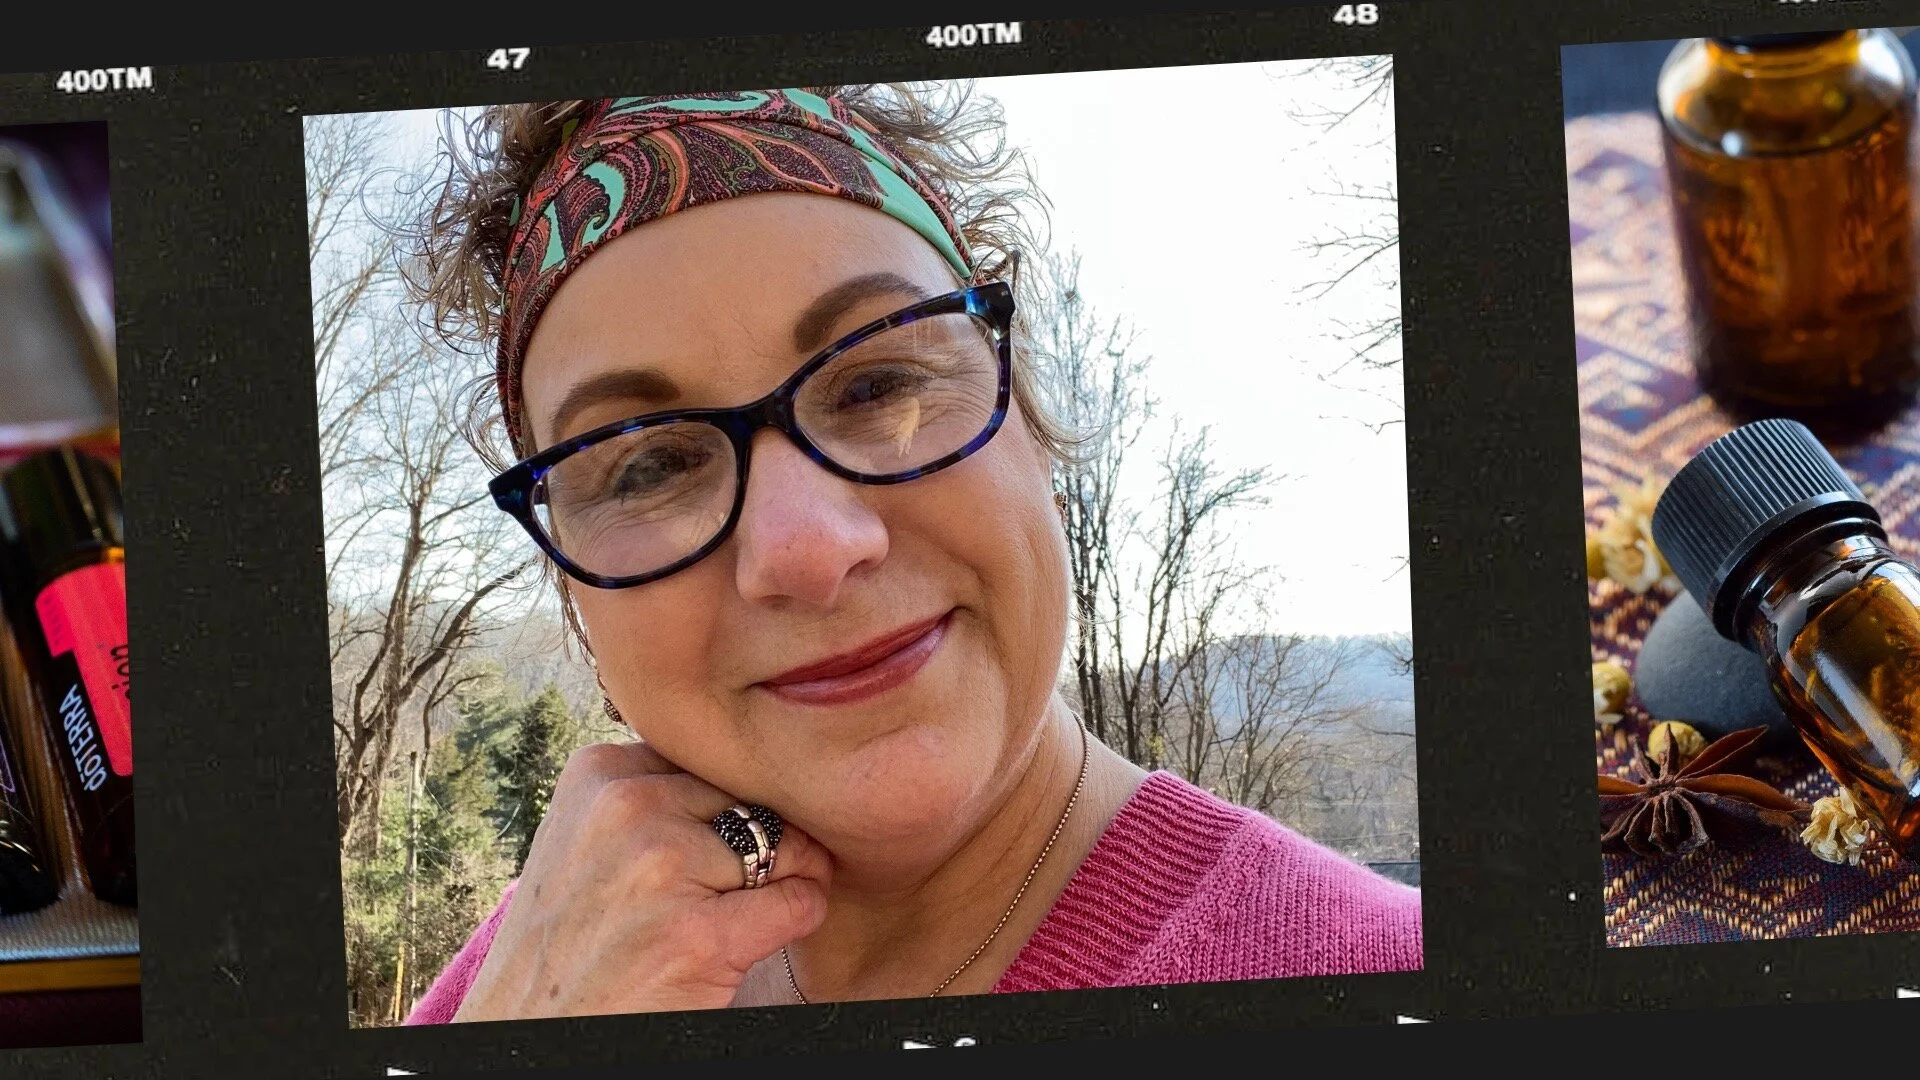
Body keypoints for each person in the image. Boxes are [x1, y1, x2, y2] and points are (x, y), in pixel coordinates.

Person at [397, 85, 1421, 1021]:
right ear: (575, 595)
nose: (809, 550)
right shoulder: (541, 965)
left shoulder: (1384, 971)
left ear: (1029, 421)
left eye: (878, 385)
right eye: (649, 467)